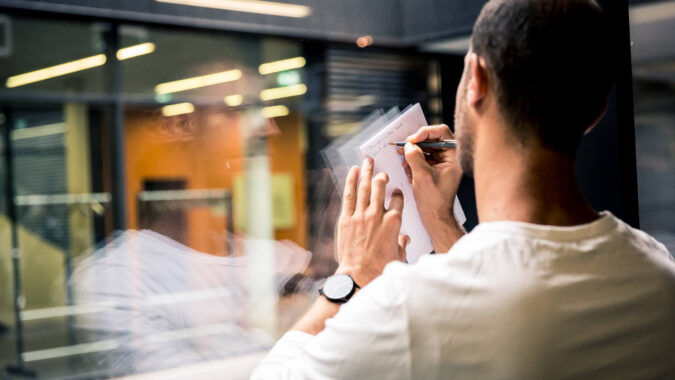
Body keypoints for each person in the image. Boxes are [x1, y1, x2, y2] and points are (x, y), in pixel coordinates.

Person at [252, 0, 675, 378]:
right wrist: (439, 219)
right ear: (596, 113)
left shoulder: (409, 310)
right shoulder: (657, 272)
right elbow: (501, 292)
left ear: (476, 78)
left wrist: (351, 276)